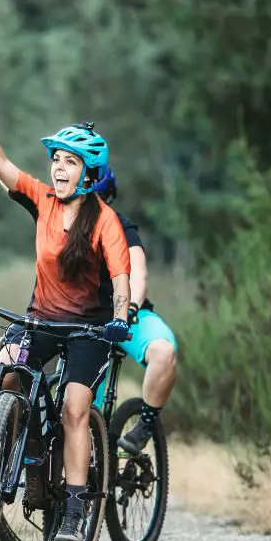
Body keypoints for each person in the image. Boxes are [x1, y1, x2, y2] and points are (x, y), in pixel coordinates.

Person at [0, 107, 132, 541]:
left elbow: (120, 279)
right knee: (7, 371)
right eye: (56, 159)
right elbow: (0, 165)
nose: (59, 167)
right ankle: (21, 462)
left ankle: (75, 509)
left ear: (89, 172)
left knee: (74, 408)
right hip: (40, 319)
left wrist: (119, 319)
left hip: (89, 330)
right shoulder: (41, 199)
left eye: (70, 161)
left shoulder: (104, 221)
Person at [83, 170, 179, 453]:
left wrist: (130, 308)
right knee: (79, 413)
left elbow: (138, 273)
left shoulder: (121, 227)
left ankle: (144, 427)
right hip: (82, 322)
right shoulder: (58, 223)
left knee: (163, 352)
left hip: (126, 315)